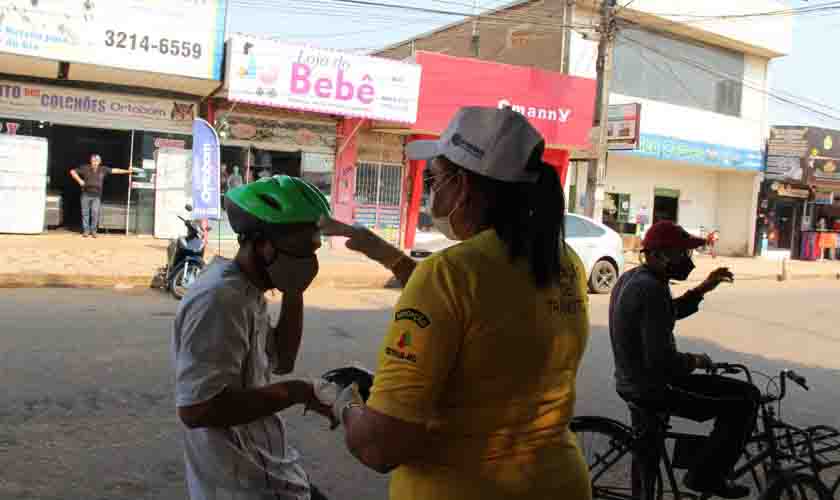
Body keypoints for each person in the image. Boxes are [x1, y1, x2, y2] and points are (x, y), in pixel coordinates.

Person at [319, 107, 592, 500]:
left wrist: (343, 406)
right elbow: (479, 311)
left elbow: (381, 446)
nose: (431, 191)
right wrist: (383, 252)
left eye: (434, 178)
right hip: (560, 482)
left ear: (461, 185)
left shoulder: (452, 272)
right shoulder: (563, 261)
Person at [172, 175, 337, 500]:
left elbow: (282, 360)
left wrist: (294, 290)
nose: (310, 262)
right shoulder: (221, 299)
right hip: (244, 484)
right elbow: (197, 409)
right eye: (302, 251)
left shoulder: (249, 291)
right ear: (263, 244)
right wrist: (297, 393)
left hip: (271, 470)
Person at [608, 220, 760, 499]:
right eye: (681, 253)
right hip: (653, 387)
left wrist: (703, 288)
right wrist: (697, 360)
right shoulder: (651, 288)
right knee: (744, 401)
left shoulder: (635, 278)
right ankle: (706, 476)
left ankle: (651, 489)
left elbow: (665, 313)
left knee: (648, 450)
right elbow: (662, 361)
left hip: (634, 381)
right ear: (657, 254)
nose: (686, 260)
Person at [69, 154, 133, 237]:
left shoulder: (103, 169)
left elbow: (115, 170)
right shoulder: (85, 168)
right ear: (90, 161)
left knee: (95, 213)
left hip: (97, 196)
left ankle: (93, 231)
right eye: (93, 161)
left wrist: (127, 171)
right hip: (86, 195)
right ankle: (86, 231)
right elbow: (72, 171)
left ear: (99, 162)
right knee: (85, 213)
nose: (95, 162)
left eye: (96, 161)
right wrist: (80, 180)